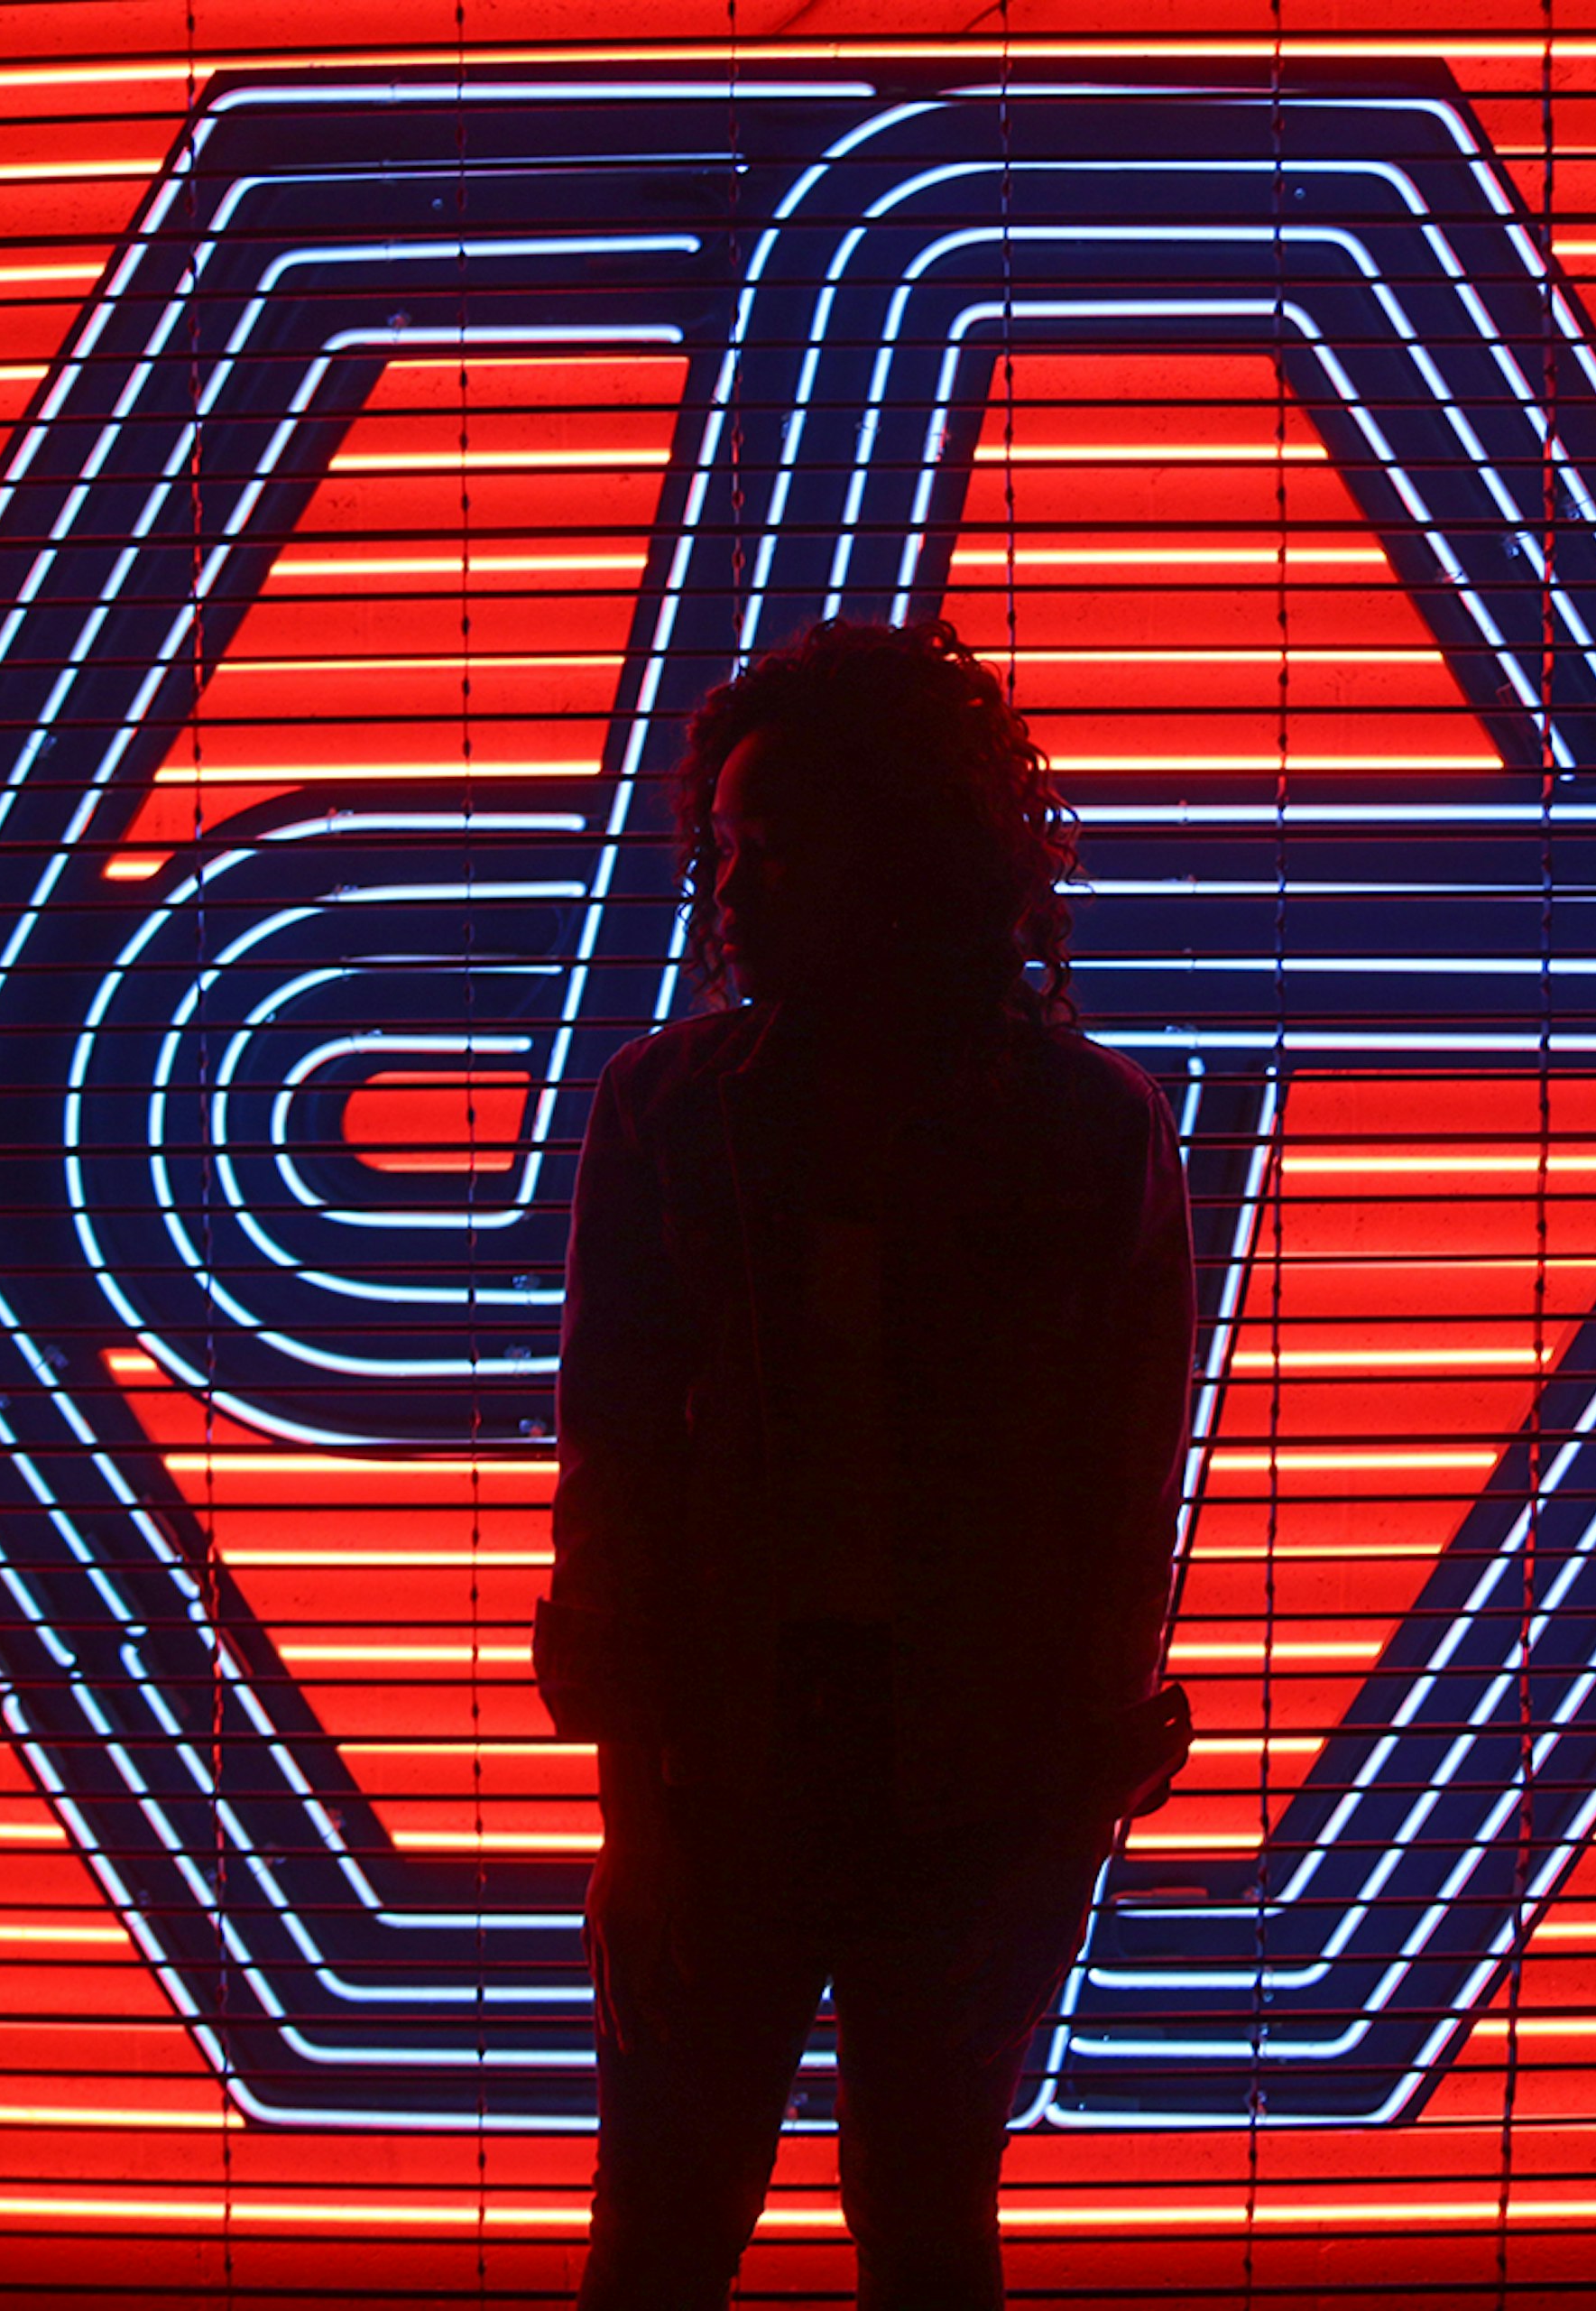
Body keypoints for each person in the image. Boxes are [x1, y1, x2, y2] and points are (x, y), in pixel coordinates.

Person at [534, 618, 1196, 2310]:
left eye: (776, 846)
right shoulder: (674, 1109)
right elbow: (610, 1468)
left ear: (897, 853)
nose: (729, 888)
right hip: (736, 1768)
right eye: (722, 848)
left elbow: (1116, 1507)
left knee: (890, 2229)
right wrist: (645, 1805)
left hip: (953, 1787)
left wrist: (1053, 1828)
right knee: (688, 2229)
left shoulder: (1085, 1132)